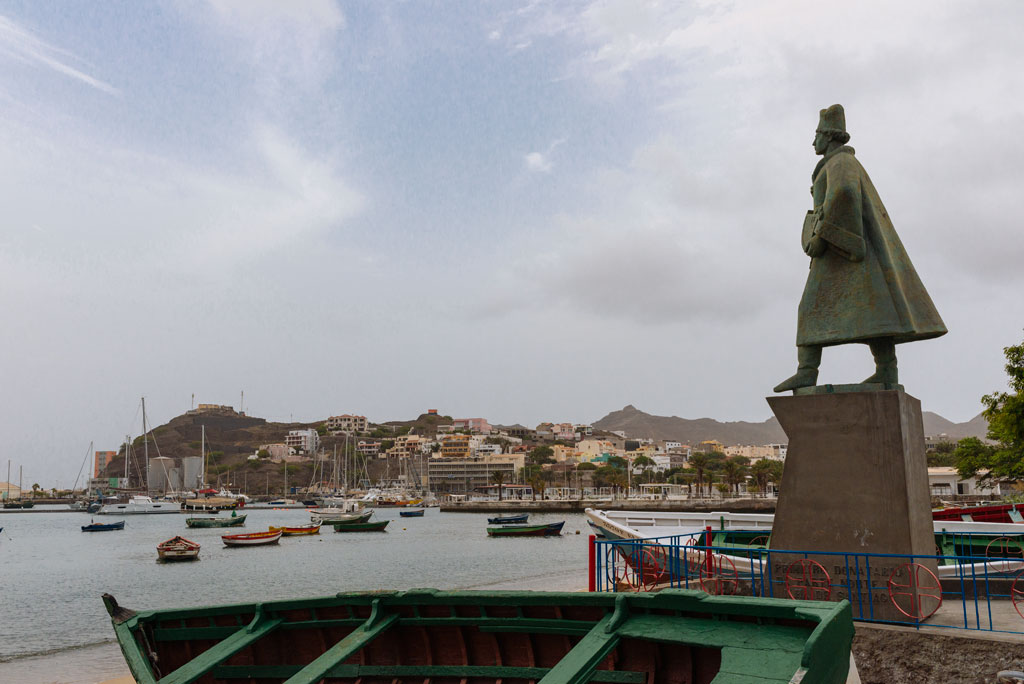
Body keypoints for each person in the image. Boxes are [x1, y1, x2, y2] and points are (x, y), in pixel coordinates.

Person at [774, 105, 946, 393]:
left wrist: (824, 235)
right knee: (876, 313)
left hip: (842, 250)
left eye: (816, 135)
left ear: (828, 137)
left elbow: (844, 194)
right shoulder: (839, 163)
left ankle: (807, 372)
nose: (812, 141)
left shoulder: (841, 163)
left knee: (810, 308)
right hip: (850, 251)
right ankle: (886, 370)